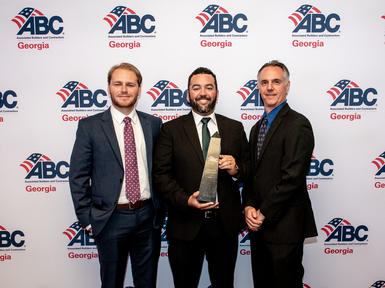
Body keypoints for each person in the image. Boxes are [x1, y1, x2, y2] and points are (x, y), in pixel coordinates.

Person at [153, 67, 249, 288]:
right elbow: (161, 177)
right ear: (188, 94)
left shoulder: (234, 128)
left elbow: (250, 169)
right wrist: (186, 200)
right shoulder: (170, 130)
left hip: (224, 227)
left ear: (217, 92)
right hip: (185, 226)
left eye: (209, 87)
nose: (203, 93)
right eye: (196, 88)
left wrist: (236, 169)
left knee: (224, 284)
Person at [69, 63, 163, 288]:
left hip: (148, 216)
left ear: (139, 89)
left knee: (147, 282)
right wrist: (86, 217)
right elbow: (78, 176)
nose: (124, 89)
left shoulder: (154, 124)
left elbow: (162, 170)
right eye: (118, 84)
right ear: (109, 88)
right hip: (110, 218)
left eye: (130, 84)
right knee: (111, 282)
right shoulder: (89, 126)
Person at [243, 60, 317, 288]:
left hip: (285, 227)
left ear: (287, 86)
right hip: (259, 228)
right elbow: (252, 176)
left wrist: (263, 212)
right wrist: (248, 206)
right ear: (258, 88)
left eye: (276, 81)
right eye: (264, 82)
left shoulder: (298, 124)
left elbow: (292, 178)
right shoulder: (257, 128)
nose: (270, 87)